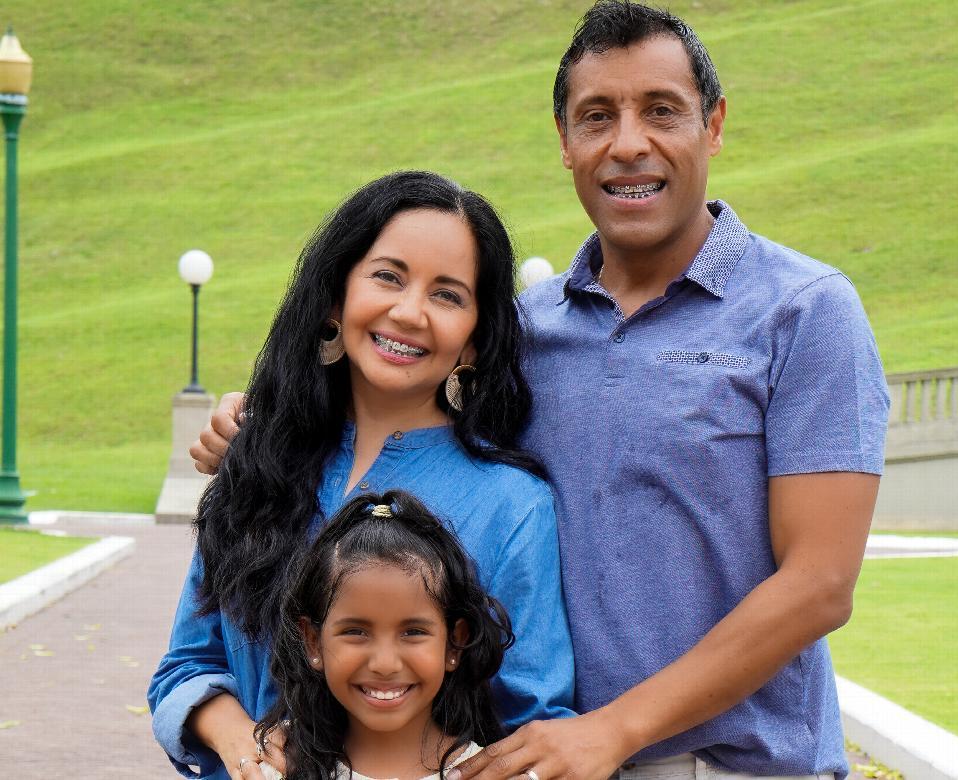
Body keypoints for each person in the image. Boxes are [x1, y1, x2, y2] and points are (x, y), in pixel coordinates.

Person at [196, 3, 890, 779]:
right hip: (539, 758)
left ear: (715, 124)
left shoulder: (805, 312)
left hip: (734, 767)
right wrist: (255, 429)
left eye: (662, 110)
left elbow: (820, 584)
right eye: (597, 116)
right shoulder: (524, 332)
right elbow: (403, 428)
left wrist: (613, 731)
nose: (628, 143)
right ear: (565, 141)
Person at [151, 171, 574, 780]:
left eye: (447, 295)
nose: (409, 312)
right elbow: (186, 667)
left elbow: (533, 724)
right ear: (335, 298)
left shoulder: (512, 505)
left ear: (474, 341)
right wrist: (246, 743)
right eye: (388, 277)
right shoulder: (258, 463)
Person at [248, 490, 513, 780]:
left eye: (413, 632)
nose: (385, 664)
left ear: (454, 644)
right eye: (355, 632)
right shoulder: (277, 770)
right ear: (314, 642)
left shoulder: (491, 775)